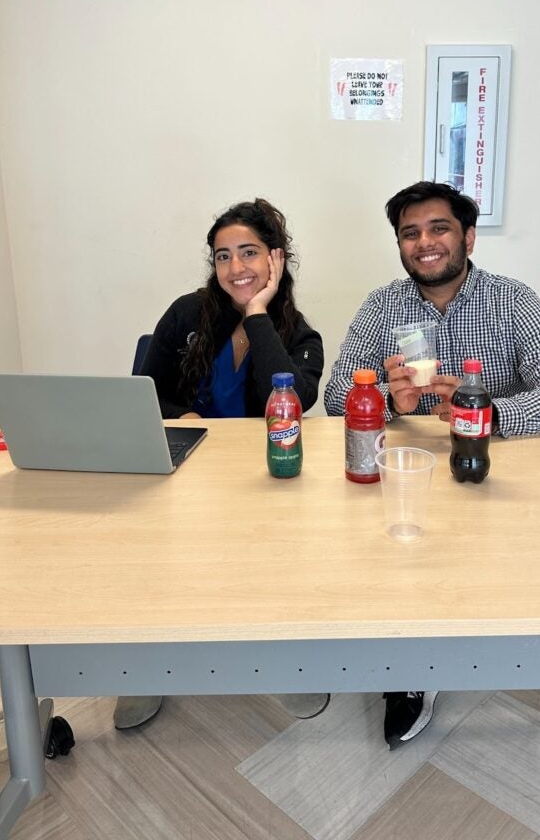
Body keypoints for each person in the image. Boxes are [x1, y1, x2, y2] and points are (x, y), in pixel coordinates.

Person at [324, 181, 540, 836]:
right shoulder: (382, 308)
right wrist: (387, 398)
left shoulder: (514, 300)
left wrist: (486, 412)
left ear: (467, 236)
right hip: (416, 481)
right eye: (409, 232)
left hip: (503, 478)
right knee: (390, 560)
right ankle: (408, 677)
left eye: (438, 228)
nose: (424, 242)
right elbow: (334, 391)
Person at [115, 198, 327, 730]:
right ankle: (147, 668)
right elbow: (142, 394)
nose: (236, 269)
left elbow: (293, 401)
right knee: (149, 554)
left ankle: (290, 663)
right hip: (185, 474)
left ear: (277, 260)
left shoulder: (300, 337)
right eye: (223, 256)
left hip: (263, 479)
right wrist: (182, 413)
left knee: (290, 550)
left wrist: (257, 315)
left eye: (249, 253)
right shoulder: (187, 313)